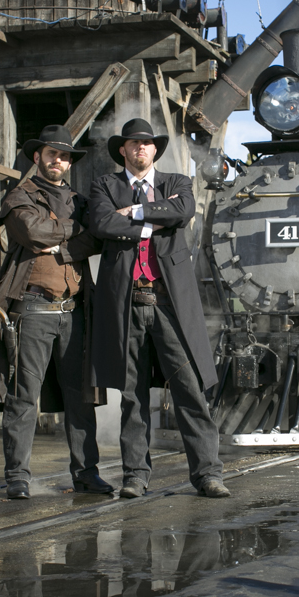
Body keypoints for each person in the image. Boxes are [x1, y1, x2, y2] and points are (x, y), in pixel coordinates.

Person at [88, 118, 229, 499]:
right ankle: (135, 476)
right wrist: (155, 221)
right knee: (132, 396)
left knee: (189, 389)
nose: (140, 149)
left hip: (170, 304)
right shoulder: (105, 185)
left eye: (147, 143)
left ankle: (207, 474)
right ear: (123, 149)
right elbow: (100, 222)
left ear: (155, 150)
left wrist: (133, 215)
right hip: (127, 302)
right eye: (133, 143)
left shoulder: (176, 183)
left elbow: (181, 211)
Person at [0, 124, 111, 500]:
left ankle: (86, 473)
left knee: (80, 397)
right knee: (23, 396)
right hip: (32, 310)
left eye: (65, 155)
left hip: (75, 311)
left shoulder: (81, 200)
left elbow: (98, 235)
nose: (59, 160)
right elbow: (32, 232)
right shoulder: (20, 195)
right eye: (52, 153)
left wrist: (63, 244)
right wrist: (72, 229)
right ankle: (17, 476)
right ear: (38, 157)